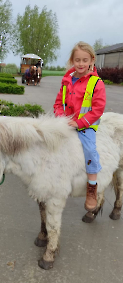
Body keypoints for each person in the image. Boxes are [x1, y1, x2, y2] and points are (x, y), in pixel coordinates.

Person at [53, 41, 106, 213]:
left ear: (92, 60)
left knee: (90, 150)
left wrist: (79, 123)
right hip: (66, 123)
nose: (81, 64)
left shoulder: (96, 83)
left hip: (85, 126)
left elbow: (97, 110)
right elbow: (58, 103)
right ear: (72, 60)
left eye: (85, 60)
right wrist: (61, 118)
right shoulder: (67, 80)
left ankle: (92, 187)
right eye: (77, 60)